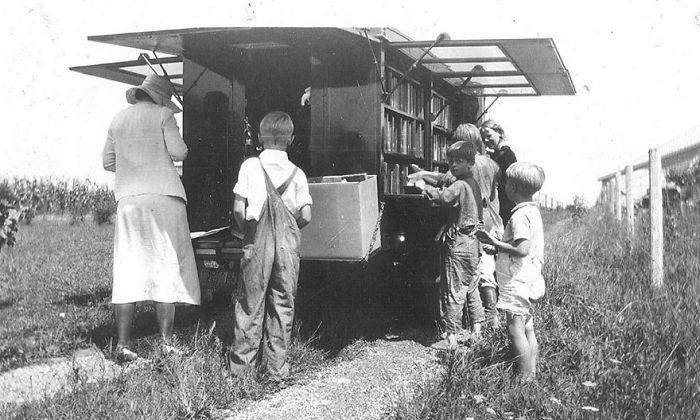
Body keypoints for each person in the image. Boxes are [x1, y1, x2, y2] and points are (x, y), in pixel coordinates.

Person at [102, 74, 200, 362]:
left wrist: (135, 166)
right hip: (163, 198)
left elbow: (108, 162)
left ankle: (122, 344)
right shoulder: (163, 115)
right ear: (159, 97)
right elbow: (179, 151)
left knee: (128, 266)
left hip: (129, 201)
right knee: (165, 264)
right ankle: (167, 342)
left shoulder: (118, 119)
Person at [229, 111, 313, 381]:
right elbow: (307, 215)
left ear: (258, 137)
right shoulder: (297, 173)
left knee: (250, 303)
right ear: (291, 139)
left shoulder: (250, 166)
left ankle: (242, 372)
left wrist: (246, 233)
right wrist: (288, 231)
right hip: (287, 246)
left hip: (257, 241)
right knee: (282, 304)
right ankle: (276, 370)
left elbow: (238, 209)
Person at [476, 162, 546, 380]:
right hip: (530, 278)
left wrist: (494, 242)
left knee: (515, 329)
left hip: (518, 279)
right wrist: (497, 245)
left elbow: (521, 249)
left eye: (505, 183)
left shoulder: (518, 216)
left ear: (513, 188)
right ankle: (532, 371)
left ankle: (525, 378)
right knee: (527, 327)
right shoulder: (532, 212)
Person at [421, 140, 483, 350]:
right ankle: (477, 331)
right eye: (451, 161)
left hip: (458, 244)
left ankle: (451, 339)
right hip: (474, 244)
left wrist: (425, 186)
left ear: (470, 163)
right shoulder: (473, 183)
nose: (453, 165)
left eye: (459, 161)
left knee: (453, 291)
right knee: (471, 288)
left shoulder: (458, 184)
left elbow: (443, 198)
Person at [481, 119, 517, 225]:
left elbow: (509, 181)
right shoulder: (496, 154)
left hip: (505, 202)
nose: (486, 140)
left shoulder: (506, 155)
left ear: (499, 133)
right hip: (497, 202)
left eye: (489, 136)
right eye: (483, 138)